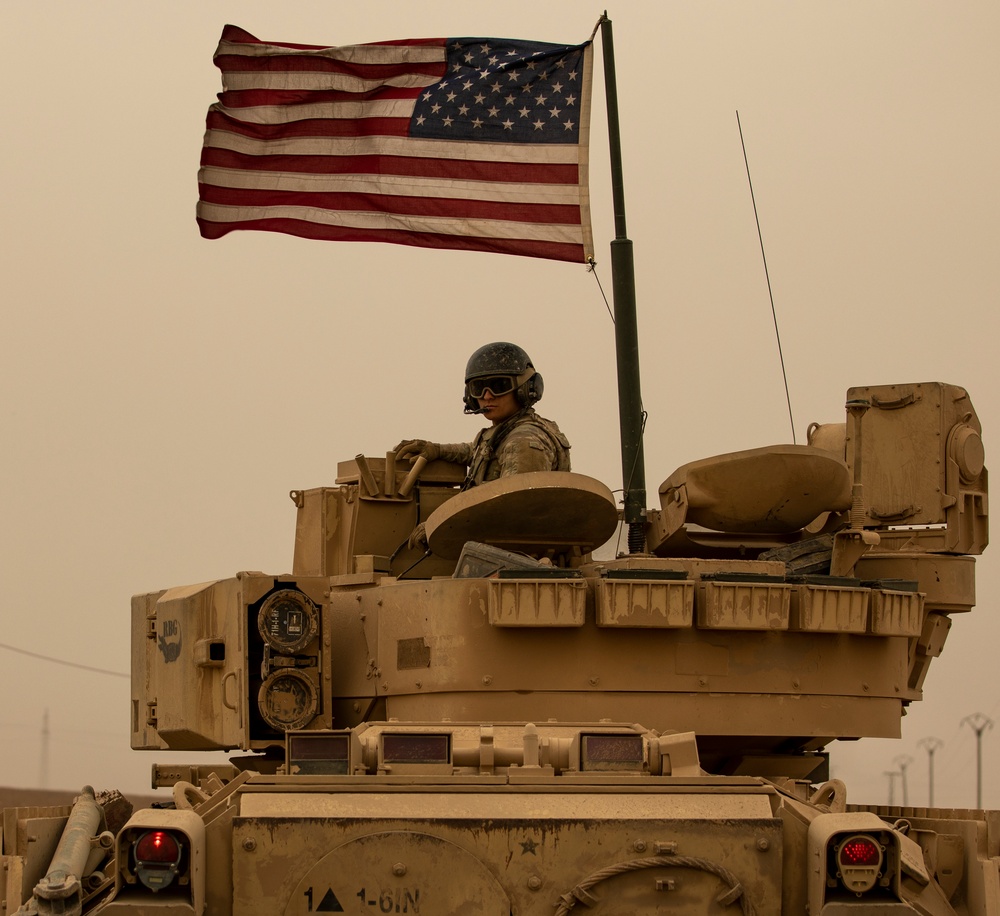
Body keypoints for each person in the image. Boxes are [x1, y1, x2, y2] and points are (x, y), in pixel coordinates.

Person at [394, 342, 571, 493]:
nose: (487, 396)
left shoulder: (524, 443)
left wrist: (434, 525)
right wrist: (437, 450)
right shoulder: (506, 433)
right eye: (479, 388)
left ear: (524, 390)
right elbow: (478, 450)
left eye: (498, 386)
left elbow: (510, 508)